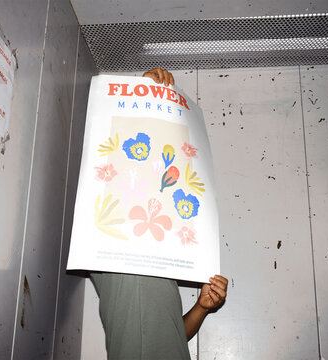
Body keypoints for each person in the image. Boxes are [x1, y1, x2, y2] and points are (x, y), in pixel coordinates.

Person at [90, 68, 228, 360]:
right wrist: (144, 94)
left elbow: (172, 337)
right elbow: (116, 158)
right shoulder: (103, 239)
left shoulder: (165, 251)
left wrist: (202, 307)